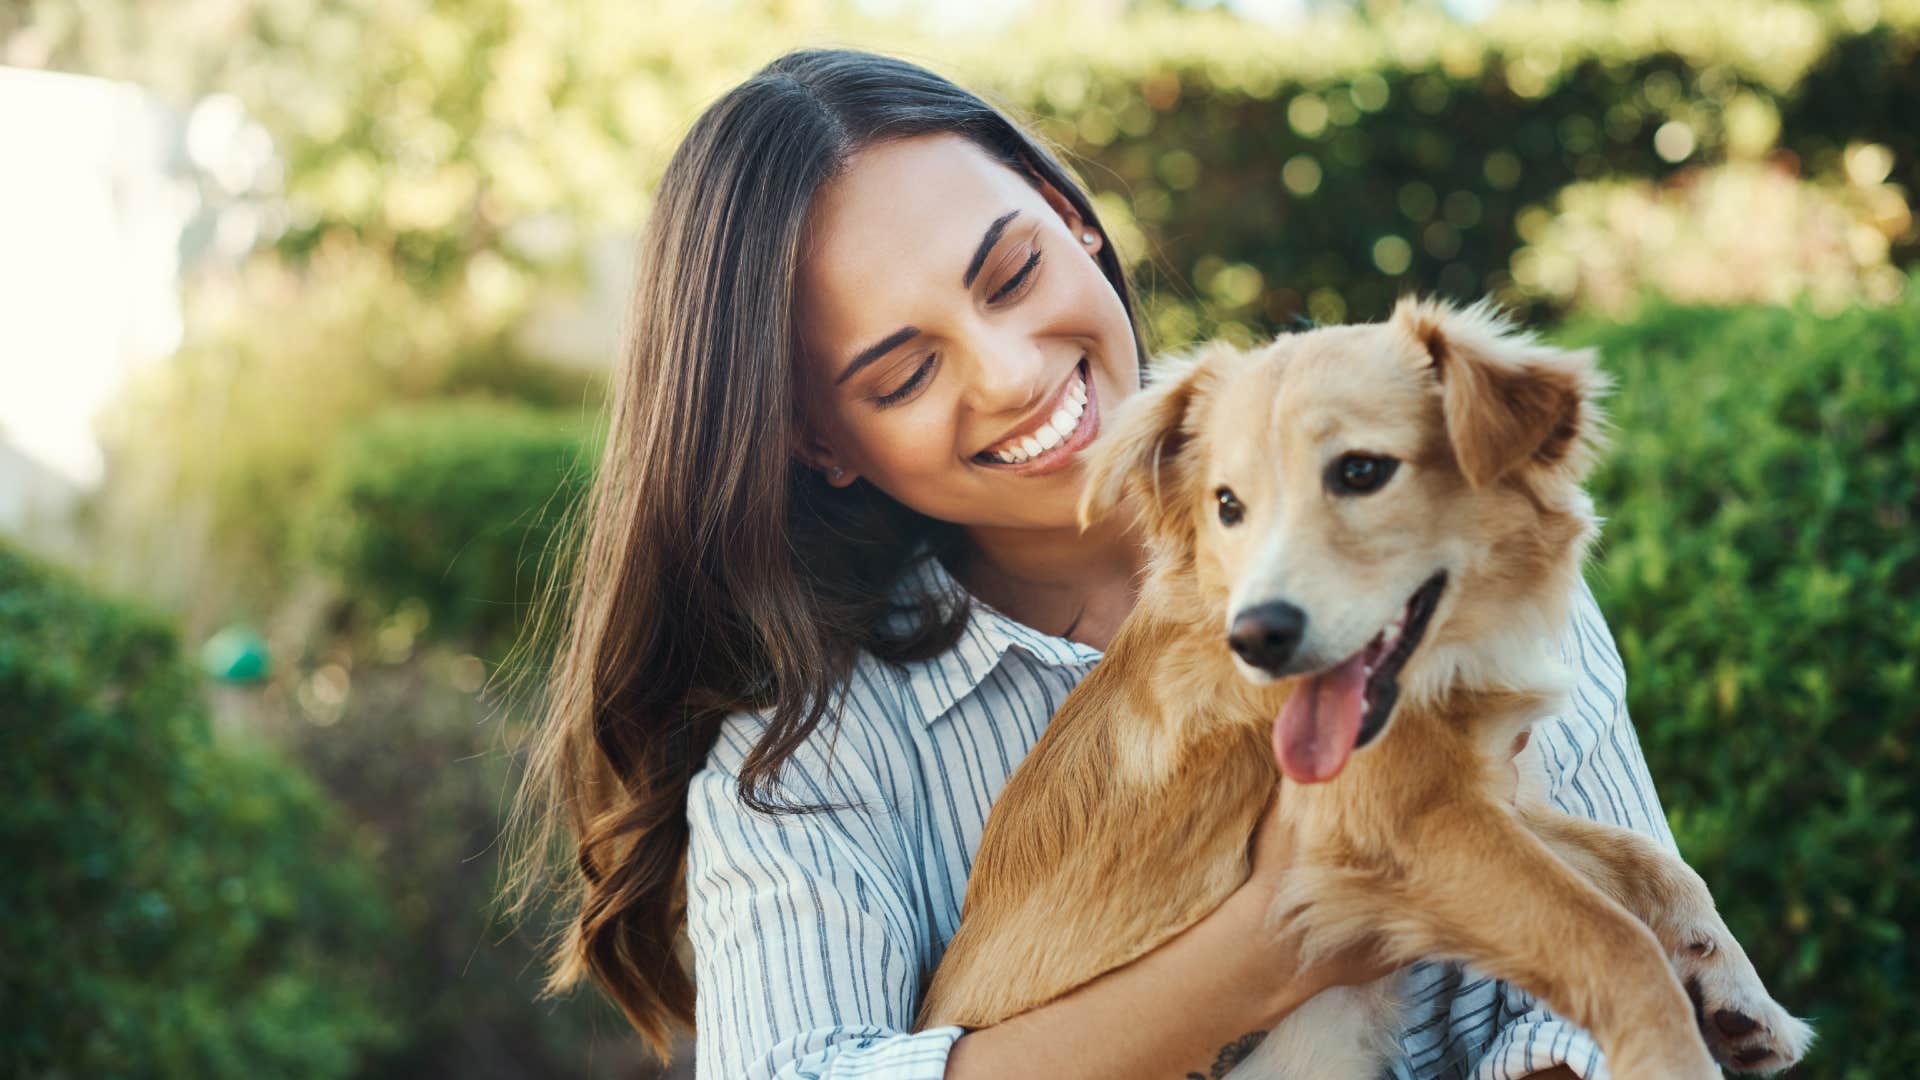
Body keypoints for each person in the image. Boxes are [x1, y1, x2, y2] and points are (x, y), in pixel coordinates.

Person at [504, 48, 1681, 1079]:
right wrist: (1271, 937)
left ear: (1077, 219)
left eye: (1011, 274)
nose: (1012, 373)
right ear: (821, 443)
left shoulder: (1444, 549)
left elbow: (1586, 1024)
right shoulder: (807, 759)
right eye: (902, 374)